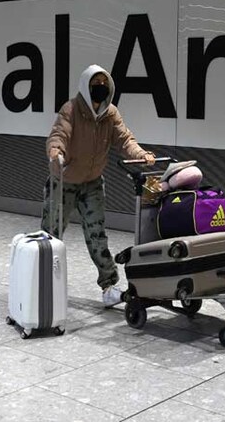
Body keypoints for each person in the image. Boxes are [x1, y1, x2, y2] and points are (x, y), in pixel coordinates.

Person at [44, 64, 155, 307]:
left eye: (105, 85)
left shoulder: (110, 113)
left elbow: (125, 138)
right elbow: (58, 135)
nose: (100, 89)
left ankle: (109, 287)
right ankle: (42, 283)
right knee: (50, 235)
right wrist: (56, 153)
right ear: (86, 86)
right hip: (64, 182)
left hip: (92, 183)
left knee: (97, 235)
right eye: (96, 85)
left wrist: (141, 154)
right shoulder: (71, 109)